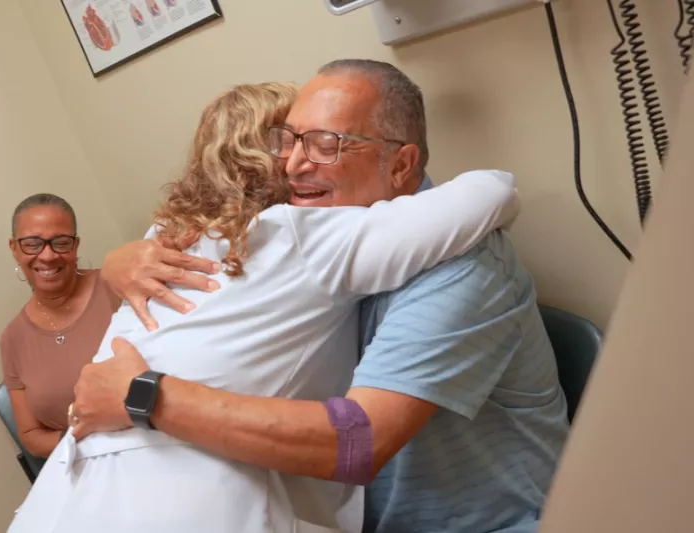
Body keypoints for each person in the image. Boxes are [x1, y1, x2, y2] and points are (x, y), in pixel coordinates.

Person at [80, 60, 571, 533]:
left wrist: (143, 394)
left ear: (400, 164)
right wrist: (123, 264)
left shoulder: (464, 267)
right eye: (289, 140)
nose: (292, 165)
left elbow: (359, 441)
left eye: (325, 145)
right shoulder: (324, 238)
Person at [0, 193, 120, 458]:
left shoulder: (117, 286)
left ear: (75, 245)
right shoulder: (12, 339)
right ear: (14, 248)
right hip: (87, 465)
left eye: (61, 242)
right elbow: (31, 436)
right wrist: (90, 443)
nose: (48, 255)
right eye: (32, 243)